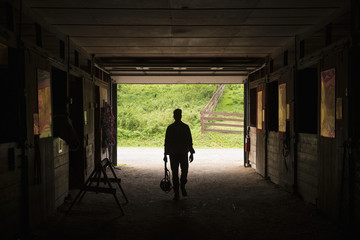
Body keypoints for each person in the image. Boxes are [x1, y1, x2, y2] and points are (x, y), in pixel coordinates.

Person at [164, 109, 195, 200]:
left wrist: (165, 155)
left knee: (176, 173)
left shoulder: (171, 128)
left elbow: (167, 142)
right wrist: (191, 153)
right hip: (182, 153)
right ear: (180, 116)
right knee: (183, 172)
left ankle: (178, 190)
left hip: (175, 154)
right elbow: (189, 141)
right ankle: (180, 189)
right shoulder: (185, 127)